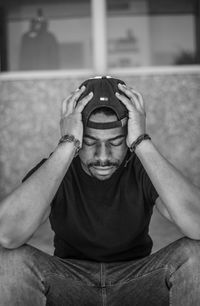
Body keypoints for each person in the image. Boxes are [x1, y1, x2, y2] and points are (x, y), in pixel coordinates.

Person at [0, 76, 200, 306]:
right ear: (75, 133)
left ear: (128, 137)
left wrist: (142, 142)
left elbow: (197, 225)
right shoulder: (55, 169)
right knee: (9, 259)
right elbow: (7, 233)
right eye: (89, 142)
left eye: (115, 142)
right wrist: (67, 144)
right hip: (68, 283)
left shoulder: (144, 166)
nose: (103, 157)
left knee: (197, 255)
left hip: (138, 281)